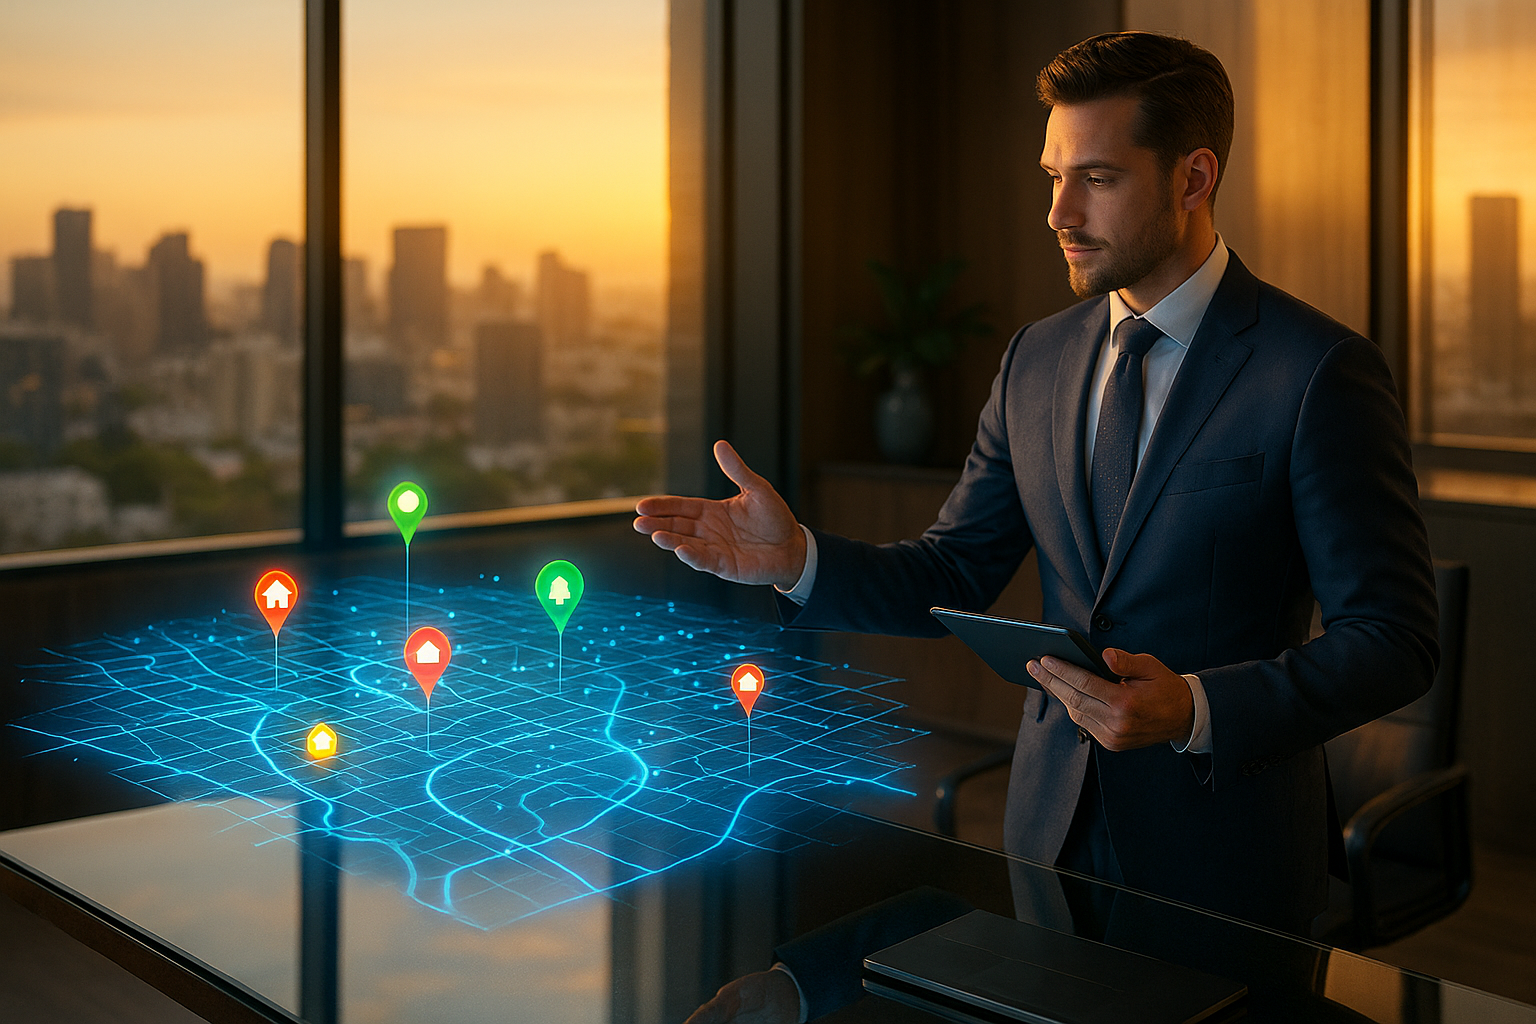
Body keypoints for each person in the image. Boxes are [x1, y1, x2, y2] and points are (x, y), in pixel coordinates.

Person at [637, 30, 1439, 1024]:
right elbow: (953, 570)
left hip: (1226, 861)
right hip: (1046, 833)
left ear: (1194, 178)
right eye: (1055, 176)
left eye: (1096, 178)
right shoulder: (1037, 360)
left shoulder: (1316, 370)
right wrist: (797, 560)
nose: (1058, 212)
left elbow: (1395, 639)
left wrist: (1194, 706)